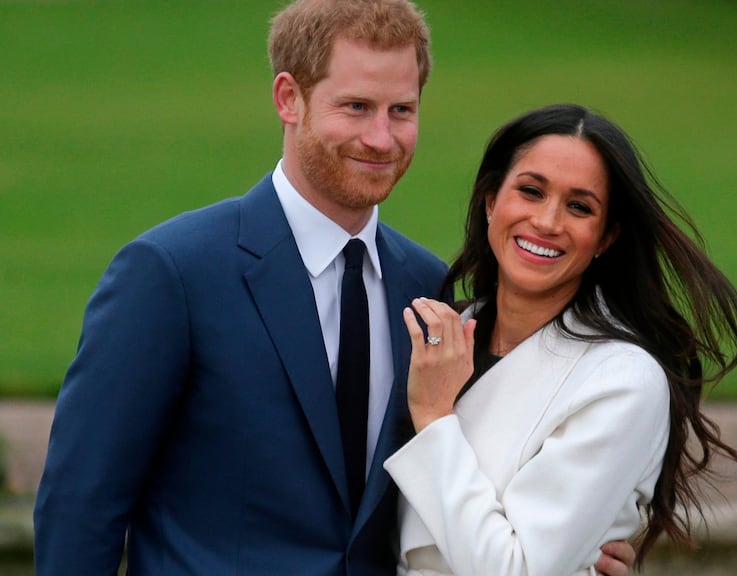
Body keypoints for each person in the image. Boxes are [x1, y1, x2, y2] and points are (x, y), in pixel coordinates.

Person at [33, 2, 634, 575]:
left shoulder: (431, 290)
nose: (381, 138)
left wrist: (578, 550)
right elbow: (81, 507)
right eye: (356, 107)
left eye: (401, 110)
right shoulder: (172, 274)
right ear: (288, 98)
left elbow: (469, 474)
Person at [382, 103, 737, 574]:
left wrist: (434, 419)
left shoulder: (622, 381)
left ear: (606, 237)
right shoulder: (441, 337)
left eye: (579, 207)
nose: (548, 222)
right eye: (531, 191)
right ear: (491, 200)